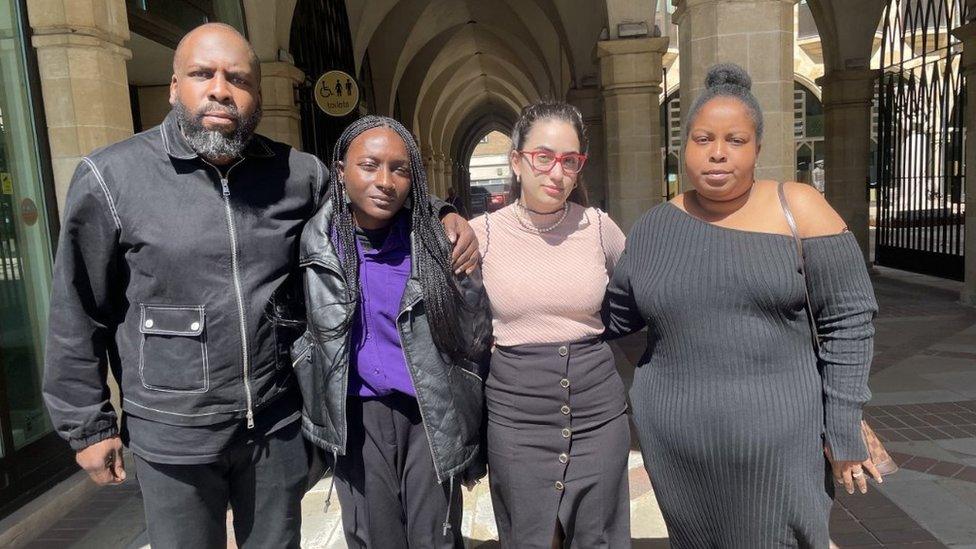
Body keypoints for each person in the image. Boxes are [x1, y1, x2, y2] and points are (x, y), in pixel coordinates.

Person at [42, 23, 478, 549]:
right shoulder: (113, 177)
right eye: (203, 74)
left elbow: (371, 202)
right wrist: (88, 426)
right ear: (174, 87)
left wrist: (442, 214)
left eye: (238, 78)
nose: (220, 89)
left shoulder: (298, 176)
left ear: (259, 95)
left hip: (274, 423)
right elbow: (79, 309)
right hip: (173, 431)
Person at [604, 63, 881, 548]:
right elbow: (613, 316)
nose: (717, 153)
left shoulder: (800, 208)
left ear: (758, 148)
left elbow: (849, 320)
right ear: (682, 146)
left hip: (781, 450)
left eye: (735, 140)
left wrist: (842, 425)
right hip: (678, 451)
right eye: (703, 138)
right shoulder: (652, 228)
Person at [293, 115, 492, 548]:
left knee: (434, 537)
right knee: (374, 536)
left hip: (429, 412)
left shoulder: (436, 242)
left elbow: (476, 332)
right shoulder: (314, 242)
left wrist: (446, 211)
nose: (385, 181)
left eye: (400, 169)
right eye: (369, 165)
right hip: (357, 416)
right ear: (341, 171)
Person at [470, 101, 630, 548]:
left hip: (597, 413)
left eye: (569, 161)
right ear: (516, 160)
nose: (555, 172)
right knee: (529, 537)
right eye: (543, 157)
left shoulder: (599, 228)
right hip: (517, 416)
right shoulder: (481, 233)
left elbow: (642, 295)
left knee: (597, 536)